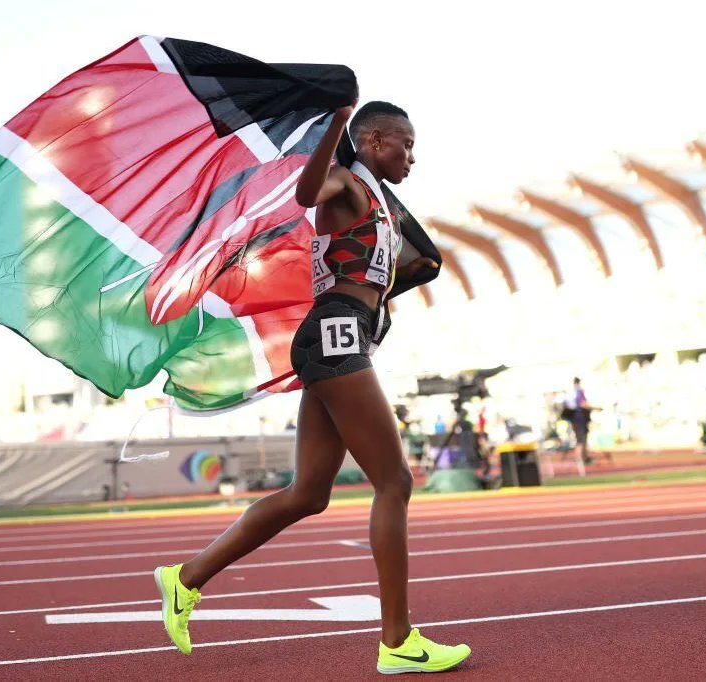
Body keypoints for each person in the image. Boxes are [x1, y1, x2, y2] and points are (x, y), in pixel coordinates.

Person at [153, 101, 471, 674]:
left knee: (309, 494)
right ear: (374, 139)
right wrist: (332, 126)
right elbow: (305, 194)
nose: (412, 157)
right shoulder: (345, 183)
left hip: (338, 337)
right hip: (334, 335)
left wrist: (409, 273)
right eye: (405, 144)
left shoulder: (379, 201)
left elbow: (404, 264)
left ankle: (185, 578)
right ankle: (397, 642)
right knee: (393, 481)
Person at [563, 377, 593, 465]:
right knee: (581, 440)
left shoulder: (570, 393)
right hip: (580, 419)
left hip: (574, 420)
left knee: (580, 440)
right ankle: (580, 459)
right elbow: (583, 404)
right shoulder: (579, 391)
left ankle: (584, 458)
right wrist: (593, 407)